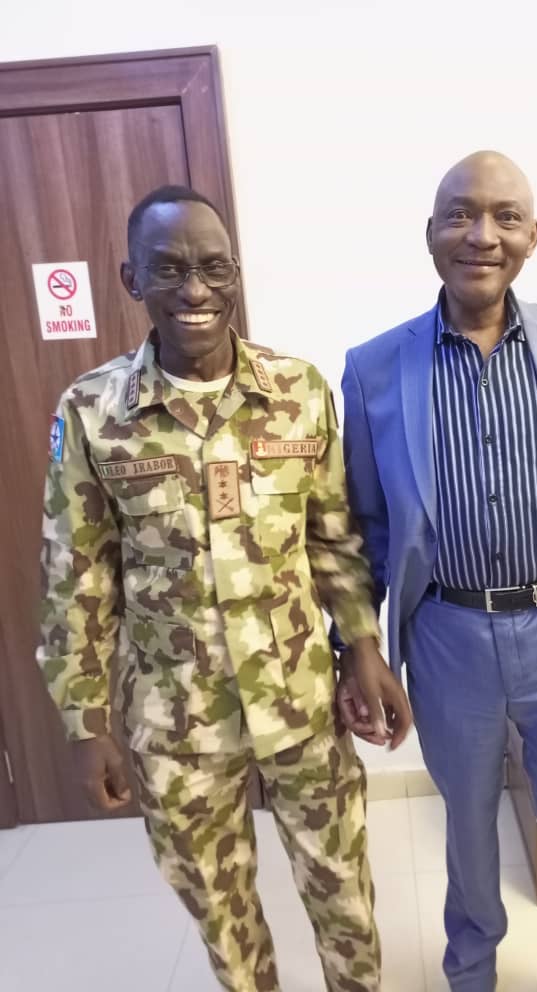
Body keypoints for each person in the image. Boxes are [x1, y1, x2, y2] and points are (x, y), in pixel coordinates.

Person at [37, 184, 411, 992]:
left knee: (344, 893)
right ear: (132, 279)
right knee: (220, 910)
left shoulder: (298, 390)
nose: (196, 289)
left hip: (301, 700)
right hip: (175, 720)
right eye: (170, 269)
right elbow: (76, 574)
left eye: (213, 267)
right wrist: (85, 724)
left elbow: (333, 538)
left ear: (235, 273)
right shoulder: (94, 411)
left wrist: (364, 650)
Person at [335, 152, 537, 992]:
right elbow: (365, 526)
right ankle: (470, 975)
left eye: (506, 217)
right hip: (447, 635)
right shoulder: (373, 367)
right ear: (430, 233)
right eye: (460, 214)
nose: (482, 235)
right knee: (468, 840)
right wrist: (359, 648)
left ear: (533, 236)